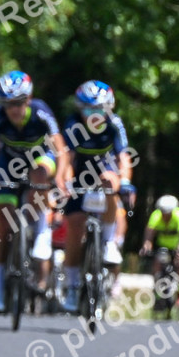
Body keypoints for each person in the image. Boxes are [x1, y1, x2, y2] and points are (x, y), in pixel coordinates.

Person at [0, 71, 70, 313]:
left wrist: (60, 178)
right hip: (9, 162)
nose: (14, 110)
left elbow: (61, 149)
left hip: (41, 158)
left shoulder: (41, 112)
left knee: (39, 175)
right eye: (8, 104)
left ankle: (41, 232)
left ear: (28, 99)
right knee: (2, 223)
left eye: (18, 103)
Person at [61, 81, 130, 312]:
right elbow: (67, 159)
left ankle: (108, 241)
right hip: (79, 173)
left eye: (99, 110)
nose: (94, 115)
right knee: (75, 227)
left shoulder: (115, 123)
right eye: (88, 110)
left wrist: (126, 182)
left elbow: (124, 158)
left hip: (104, 170)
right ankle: (72, 286)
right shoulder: (73, 124)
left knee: (111, 181)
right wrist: (66, 183)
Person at [140, 194, 179, 292]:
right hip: (163, 246)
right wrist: (147, 244)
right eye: (162, 212)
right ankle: (156, 287)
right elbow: (150, 231)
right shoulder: (156, 215)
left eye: (167, 213)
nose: (164, 215)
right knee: (157, 263)